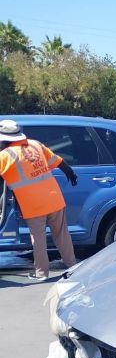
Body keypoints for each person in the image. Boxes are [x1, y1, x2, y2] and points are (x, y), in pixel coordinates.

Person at [0, 119, 78, 281]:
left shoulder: (5, 156)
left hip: (33, 205)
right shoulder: (35, 144)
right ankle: (73, 267)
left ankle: (42, 273)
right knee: (62, 235)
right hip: (54, 198)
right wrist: (71, 173)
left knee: (38, 240)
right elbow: (59, 162)